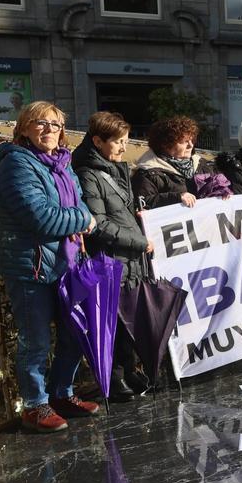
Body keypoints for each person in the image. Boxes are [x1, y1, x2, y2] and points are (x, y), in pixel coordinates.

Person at [0, 101, 98, 432]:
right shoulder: (16, 165)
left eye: (55, 125)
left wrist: (80, 215)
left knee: (73, 335)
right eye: (40, 123)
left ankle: (61, 393)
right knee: (35, 341)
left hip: (66, 264)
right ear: (24, 129)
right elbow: (42, 218)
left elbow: (78, 200)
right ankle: (35, 406)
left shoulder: (63, 165)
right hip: (32, 269)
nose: (49, 130)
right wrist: (84, 219)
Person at [71, 111, 153, 401]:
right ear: (97, 141)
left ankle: (129, 370)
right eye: (118, 142)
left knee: (126, 320)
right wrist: (138, 242)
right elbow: (98, 224)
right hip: (112, 258)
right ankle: (116, 378)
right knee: (113, 323)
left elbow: (121, 212)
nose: (123, 147)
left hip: (127, 258)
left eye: (126, 141)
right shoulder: (88, 174)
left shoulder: (115, 168)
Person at [133, 115, 227, 209]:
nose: (191, 145)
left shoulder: (202, 164)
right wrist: (177, 198)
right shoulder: (148, 172)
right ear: (166, 144)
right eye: (184, 141)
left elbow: (220, 185)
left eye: (192, 140)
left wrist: (223, 192)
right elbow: (144, 202)